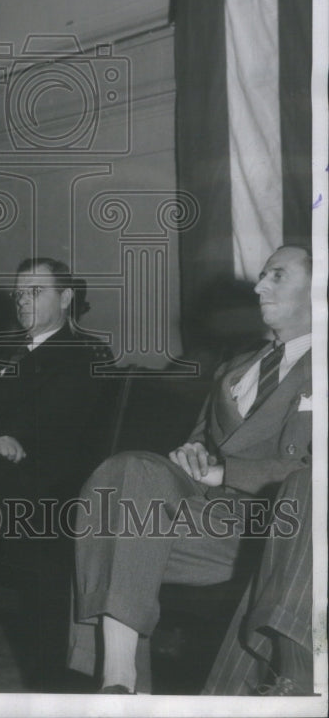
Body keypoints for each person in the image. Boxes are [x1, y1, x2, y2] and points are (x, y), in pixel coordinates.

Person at [66, 245, 312, 693]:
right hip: (204, 522)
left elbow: (316, 471)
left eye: (276, 276)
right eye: (261, 275)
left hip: (277, 532)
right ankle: (119, 681)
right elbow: (202, 440)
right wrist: (192, 456)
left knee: (116, 527)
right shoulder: (236, 366)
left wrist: (228, 472)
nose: (259, 287)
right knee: (126, 473)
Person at [0, 257, 115, 687]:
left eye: (35, 291)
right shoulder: (3, 351)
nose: (21, 301)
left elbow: (49, 423)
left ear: (66, 297)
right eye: (18, 293)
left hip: (50, 486)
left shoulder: (85, 354)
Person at [203, 463, 313, 696]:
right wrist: (193, 460)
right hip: (231, 512)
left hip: (292, 506)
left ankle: (297, 679)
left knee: (311, 484)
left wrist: (231, 472)